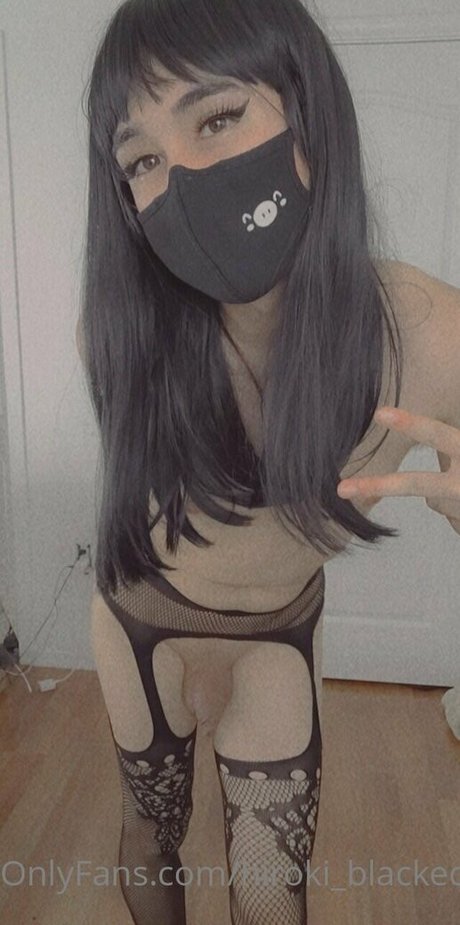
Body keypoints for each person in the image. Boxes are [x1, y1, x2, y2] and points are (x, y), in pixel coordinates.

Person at [76, 0, 460, 922]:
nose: (181, 178)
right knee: (151, 830)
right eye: (141, 160)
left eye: (216, 117)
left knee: (270, 886)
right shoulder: (123, 335)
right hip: (144, 621)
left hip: (279, 633)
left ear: (309, 115)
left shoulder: (426, 335)